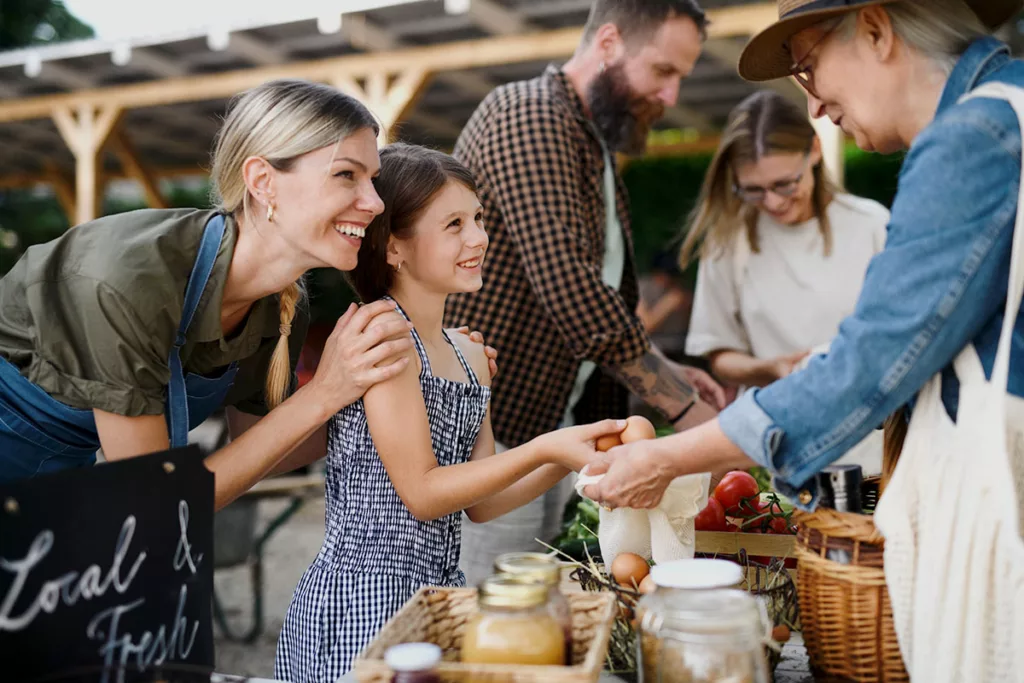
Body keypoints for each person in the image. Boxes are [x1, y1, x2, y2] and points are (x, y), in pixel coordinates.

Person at [583, 2, 1024, 677]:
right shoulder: (1010, 105)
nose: (816, 107)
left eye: (811, 69)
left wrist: (667, 457)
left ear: (876, 29)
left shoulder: (971, 138)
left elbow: (867, 367)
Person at [0, 79, 495, 509]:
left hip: (54, 486)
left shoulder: (280, 306)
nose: (374, 202)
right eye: (347, 175)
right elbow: (154, 500)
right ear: (262, 182)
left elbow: (263, 449)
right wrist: (325, 391)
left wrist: (416, 387)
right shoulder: (125, 282)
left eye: (373, 179)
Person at [274, 144, 625, 681]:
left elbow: (480, 504)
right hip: (362, 601)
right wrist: (545, 447)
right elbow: (423, 492)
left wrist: (570, 456)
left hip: (436, 597)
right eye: (454, 224)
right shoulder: (383, 339)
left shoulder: (467, 354)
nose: (479, 238)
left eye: (479, 218)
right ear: (394, 248)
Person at [445, 0, 727, 586]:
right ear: (608, 43)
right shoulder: (528, 115)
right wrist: (687, 411)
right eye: (663, 71)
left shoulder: (587, 140)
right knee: (498, 630)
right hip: (493, 437)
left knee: (543, 618)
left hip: (551, 429)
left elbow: (603, 297)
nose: (671, 96)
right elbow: (573, 291)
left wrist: (665, 364)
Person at [681, 89, 890, 473]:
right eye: (753, 189)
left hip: (869, 444)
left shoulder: (871, 224)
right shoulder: (727, 243)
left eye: (784, 184)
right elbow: (720, 356)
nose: (773, 202)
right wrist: (771, 367)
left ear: (813, 151)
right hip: (774, 447)